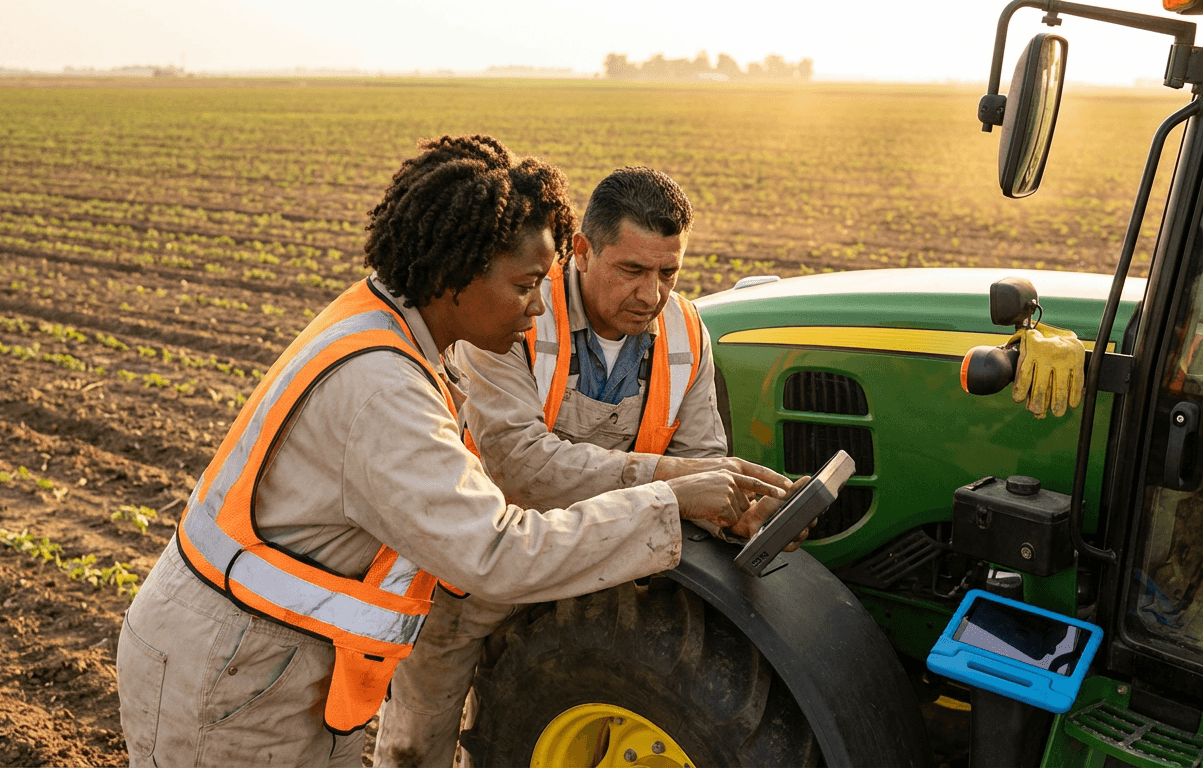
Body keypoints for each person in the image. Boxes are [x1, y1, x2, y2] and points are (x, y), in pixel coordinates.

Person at [114, 136, 788, 768]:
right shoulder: (384, 392)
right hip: (227, 681)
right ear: (458, 274)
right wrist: (668, 497)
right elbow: (494, 552)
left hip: (266, 666)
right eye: (525, 285)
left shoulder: (394, 332)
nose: (536, 308)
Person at [374, 166, 808, 768]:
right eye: (631, 270)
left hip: (599, 564)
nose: (651, 294)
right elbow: (518, 465)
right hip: (476, 568)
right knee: (416, 746)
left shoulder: (685, 330)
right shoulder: (511, 310)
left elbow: (699, 460)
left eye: (668, 272)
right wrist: (674, 485)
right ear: (581, 249)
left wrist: (737, 507)